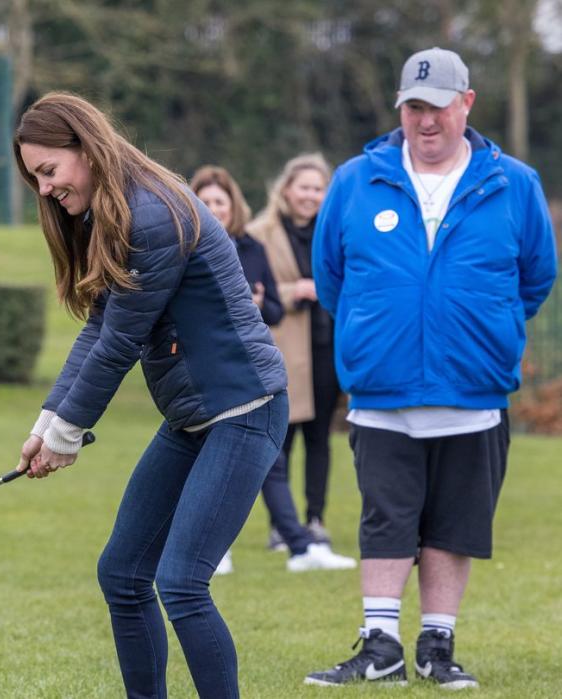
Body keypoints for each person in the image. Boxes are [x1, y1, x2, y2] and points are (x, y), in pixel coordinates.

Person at [15, 92, 288, 699]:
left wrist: (66, 439)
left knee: (183, 584)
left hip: (243, 408)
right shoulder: (117, 212)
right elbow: (99, 329)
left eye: (48, 171)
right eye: (35, 177)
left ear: (84, 149)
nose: (44, 189)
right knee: (122, 573)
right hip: (193, 415)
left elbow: (120, 345)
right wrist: (49, 422)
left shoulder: (151, 215)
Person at [304, 47, 556, 689]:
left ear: (465, 104)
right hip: (382, 391)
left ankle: (436, 645)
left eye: (437, 107)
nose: (425, 120)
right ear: (401, 108)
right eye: (413, 106)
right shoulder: (355, 180)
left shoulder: (515, 184)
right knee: (384, 518)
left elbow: (535, 277)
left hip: (472, 394)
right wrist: (378, 327)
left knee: (453, 523)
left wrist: (484, 328)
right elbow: (332, 279)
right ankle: (381, 645)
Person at [192, 166, 355, 575]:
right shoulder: (184, 248)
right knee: (211, 459)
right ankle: (220, 547)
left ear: (233, 207)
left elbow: (272, 310)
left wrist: (260, 303)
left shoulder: (249, 248)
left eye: (220, 203)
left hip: (250, 368)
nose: (213, 210)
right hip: (202, 371)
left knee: (266, 459)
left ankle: (299, 544)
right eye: (205, 202)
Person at [247, 153, 339, 547]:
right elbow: (249, 289)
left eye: (318, 189)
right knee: (280, 438)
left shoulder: (335, 231)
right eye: (304, 187)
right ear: (286, 189)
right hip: (282, 350)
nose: (311, 196)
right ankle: (281, 527)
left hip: (327, 349)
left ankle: (315, 519)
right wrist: (294, 291)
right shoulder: (260, 233)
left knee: (320, 438)